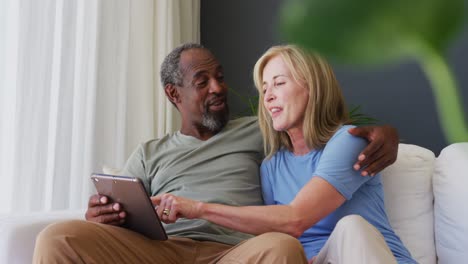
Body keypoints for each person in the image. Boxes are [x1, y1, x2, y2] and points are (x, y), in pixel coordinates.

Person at [33, 43, 400, 264]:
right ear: (174, 95)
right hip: (161, 251)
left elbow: (318, 135)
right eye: (202, 81)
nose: (218, 88)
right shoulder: (149, 152)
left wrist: (386, 133)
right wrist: (101, 216)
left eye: (220, 77)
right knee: (57, 237)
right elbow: (123, 214)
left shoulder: (261, 133)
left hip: (233, 253)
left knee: (281, 247)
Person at [152, 45, 415, 264]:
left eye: (279, 83)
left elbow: (295, 219)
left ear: (312, 86)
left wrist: (197, 208)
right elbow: (282, 237)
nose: (268, 97)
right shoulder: (271, 166)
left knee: (351, 227)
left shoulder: (348, 142)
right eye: (264, 88)